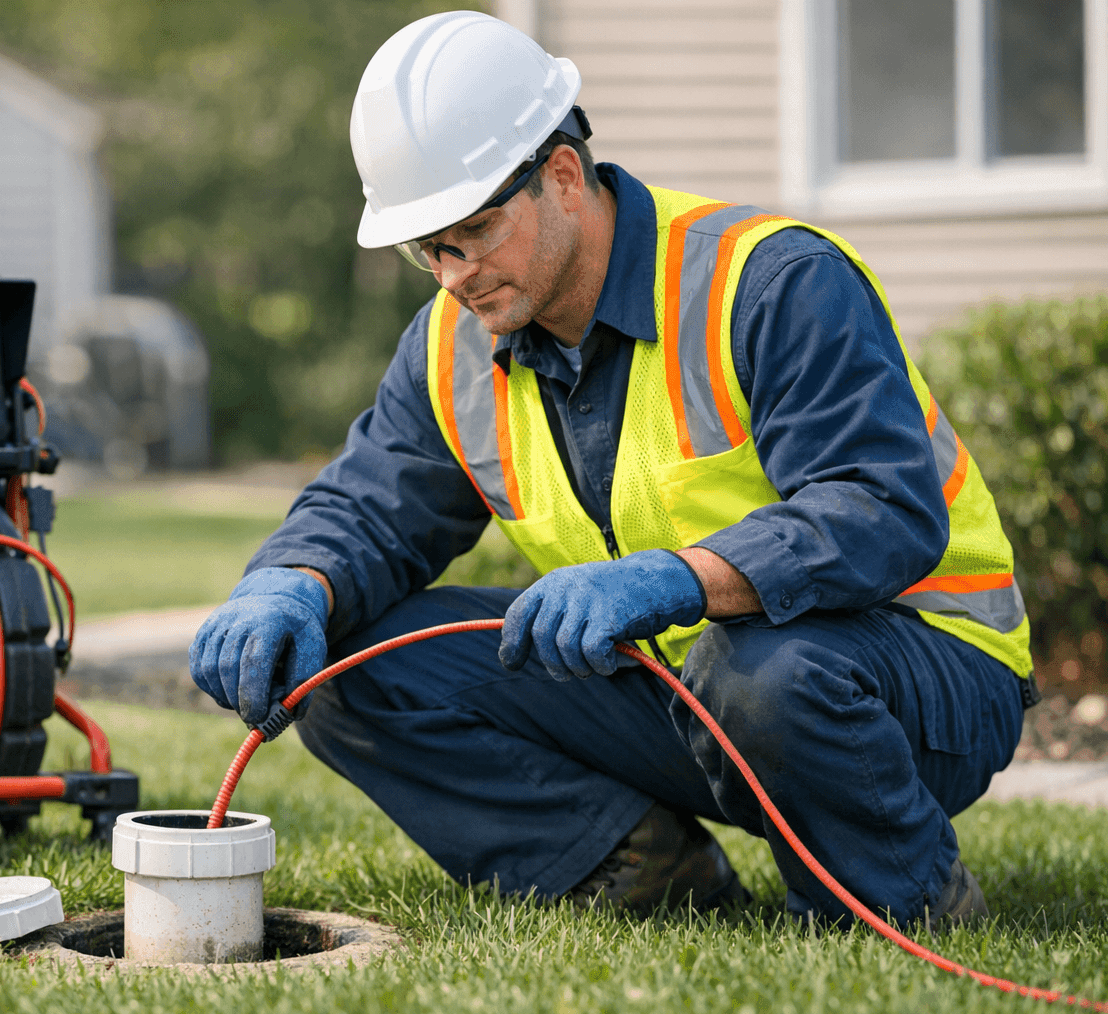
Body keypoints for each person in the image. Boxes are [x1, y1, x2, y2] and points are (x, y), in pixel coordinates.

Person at [190, 10, 1035, 927]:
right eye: (426, 248)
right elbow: (371, 507)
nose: (452, 275)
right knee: (347, 664)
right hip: (688, 685)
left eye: (471, 232)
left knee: (763, 671)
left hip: (917, 677)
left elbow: (880, 508)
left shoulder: (770, 283)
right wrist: (289, 584)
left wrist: (678, 578)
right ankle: (642, 868)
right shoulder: (455, 346)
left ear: (561, 176)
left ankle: (900, 901)